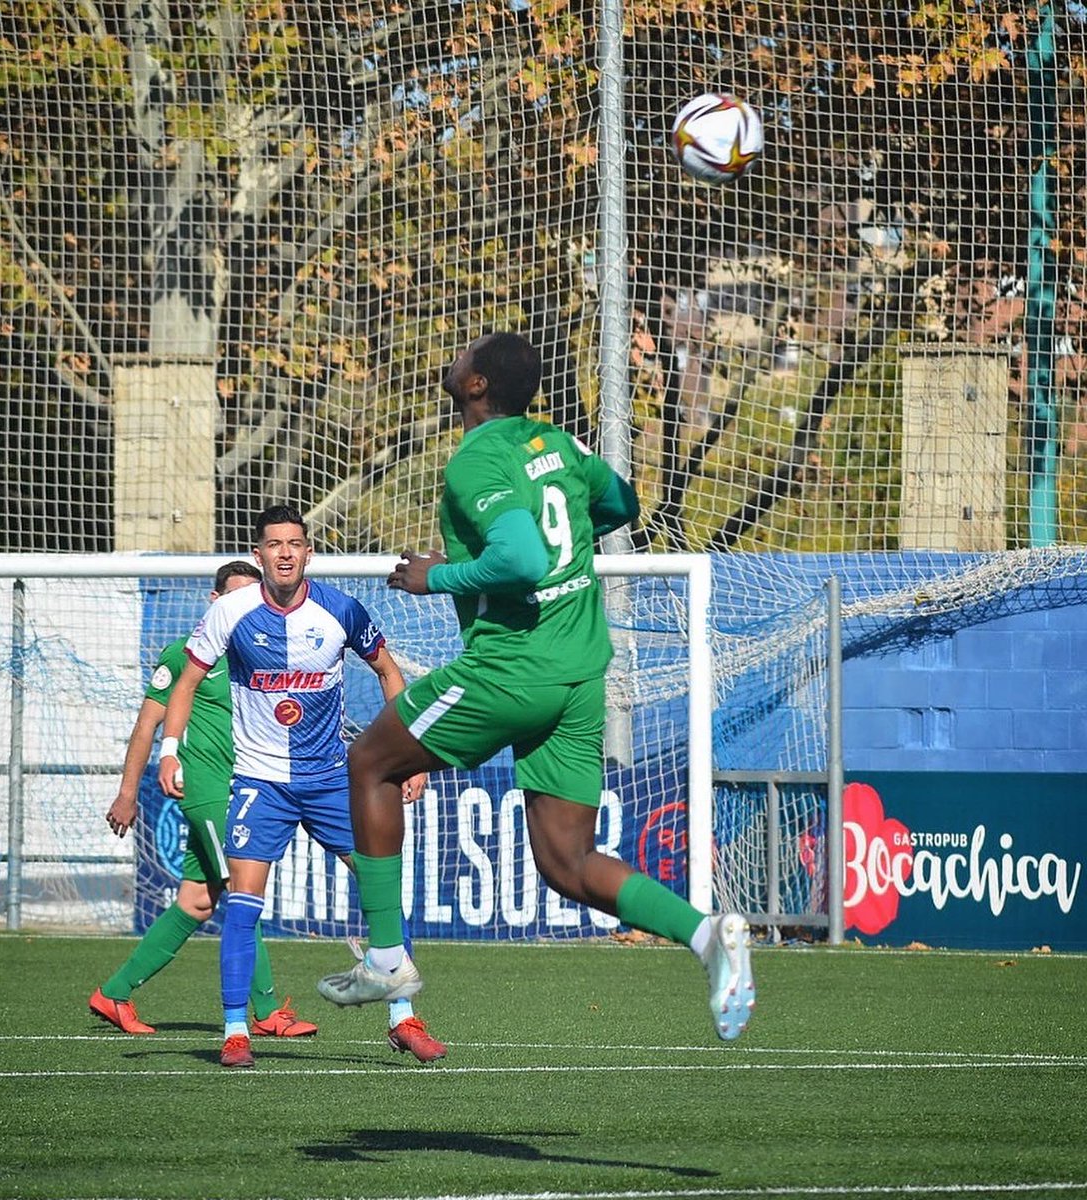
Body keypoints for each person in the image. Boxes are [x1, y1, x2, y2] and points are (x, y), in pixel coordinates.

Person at [317, 331, 755, 1042]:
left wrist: (439, 577)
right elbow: (622, 504)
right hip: (580, 672)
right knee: (566, 863)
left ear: (477, 385)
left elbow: (519, 559)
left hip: (512, 669)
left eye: (464, 355)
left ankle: (389, 958)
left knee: (370, 762)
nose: (453, 357)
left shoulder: (478, 458)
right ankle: (708, 937)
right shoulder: (560, 445)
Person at [157, 504, 444, 1068]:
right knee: (241, 905)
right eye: (274, 544)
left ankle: (403, 1018)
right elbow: (187, 681)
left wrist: (411, 758)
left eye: (295, 543)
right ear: (258, 552)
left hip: (332, 781)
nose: (285, 552)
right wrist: (170, 752)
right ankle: (237, 1030)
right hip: (261, 782)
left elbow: (389, 673)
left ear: (308, 551)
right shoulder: (232, 612)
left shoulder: (339, 610)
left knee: (383, 891)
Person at [90, 561, 315, 1039]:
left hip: (246, 792)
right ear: (215, 602)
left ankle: (115, 992)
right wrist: (128, 792)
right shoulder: (185, 657)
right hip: (207, 792)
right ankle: (268, 1010)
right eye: (233, 598)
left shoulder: (263, 657)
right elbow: (146, 726)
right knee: (242, 889)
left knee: (196, 902)